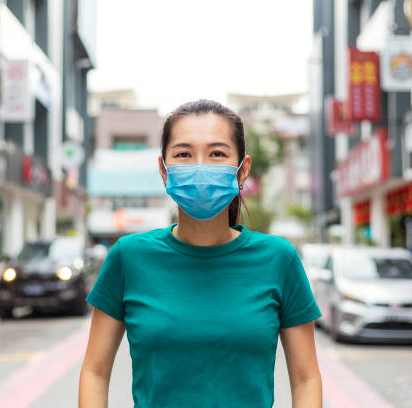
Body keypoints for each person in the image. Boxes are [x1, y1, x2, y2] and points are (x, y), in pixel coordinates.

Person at [79, 99, 323, 408]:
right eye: (183, 154)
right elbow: (95, 372)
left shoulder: (279, 259)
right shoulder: (128, 257)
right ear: (163, 170)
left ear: (242, 169)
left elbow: (306, 379)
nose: (200, 167)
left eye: (217, 154)